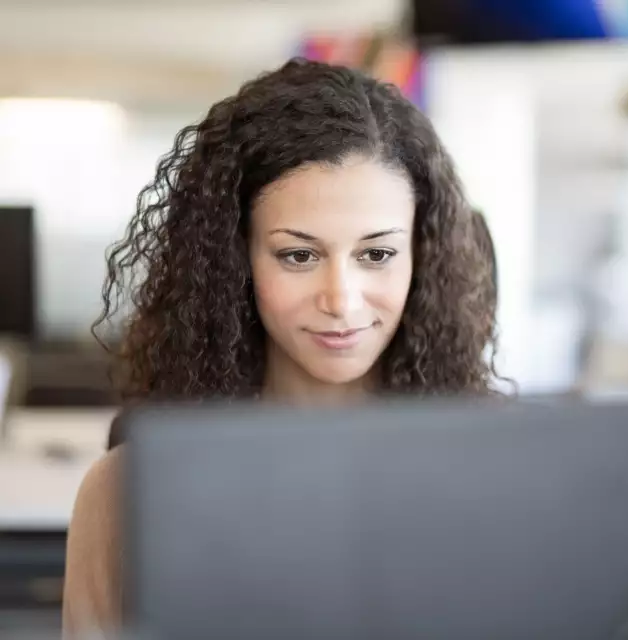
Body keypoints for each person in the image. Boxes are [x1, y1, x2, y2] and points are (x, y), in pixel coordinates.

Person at [62, 58, 501, 636]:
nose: (342, 301)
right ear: (233, 261)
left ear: (421, 256)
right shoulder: (125, 492)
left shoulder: (501, 476)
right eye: (298, 255)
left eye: (377, 254)